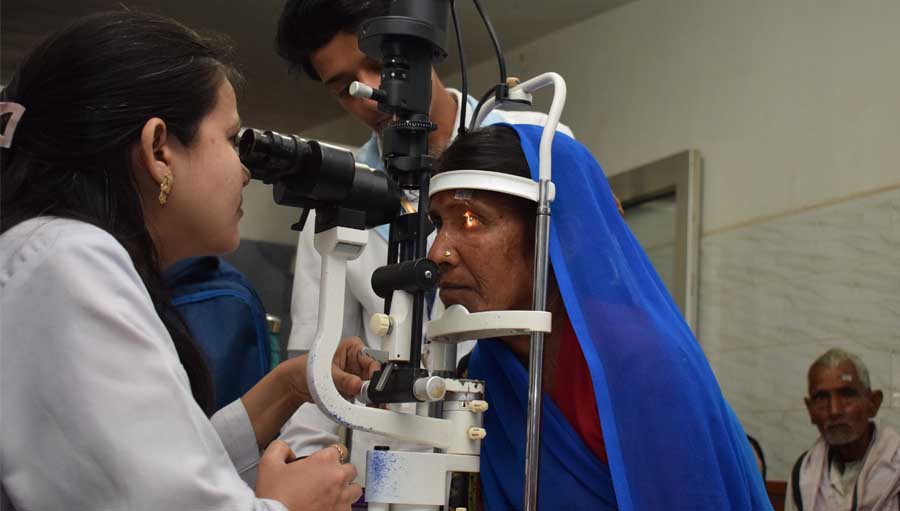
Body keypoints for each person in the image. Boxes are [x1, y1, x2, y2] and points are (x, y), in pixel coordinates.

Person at [0, 11, 380, 511]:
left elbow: (154, 469)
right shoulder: (66, 259)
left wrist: (285, 390)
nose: (244, 170)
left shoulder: (54, 253)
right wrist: (290, 506)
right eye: (228, 138)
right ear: (159, 148)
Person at [426, 124, 772, 510]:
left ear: (552, 231)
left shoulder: (641, 361)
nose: (438, 252)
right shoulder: (486, 366)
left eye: (471, 219)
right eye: (438, 223)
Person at [786, 349, 900, 511]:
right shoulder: (802, 474)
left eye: (847, 394)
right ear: (810, 411)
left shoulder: (896, 466)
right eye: (821, 398)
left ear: (873, 403)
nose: (834, 410)